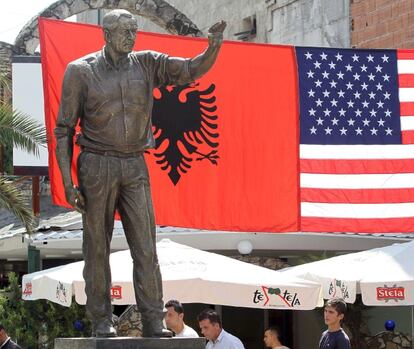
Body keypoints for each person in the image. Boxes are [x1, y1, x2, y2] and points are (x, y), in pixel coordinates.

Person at [54, 9, 226, 338]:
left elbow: (189, 70)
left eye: (134, 31)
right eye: (124, 31)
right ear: (106, 34)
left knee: (146, 247)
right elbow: (63, 129)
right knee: (97, 247)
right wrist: (66, 180)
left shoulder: (146, 62)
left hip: (134, 163)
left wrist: (213, 47)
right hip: (96, 164)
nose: (131, 37)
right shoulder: (80, 71)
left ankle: (152, 318)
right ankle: (102, 319)